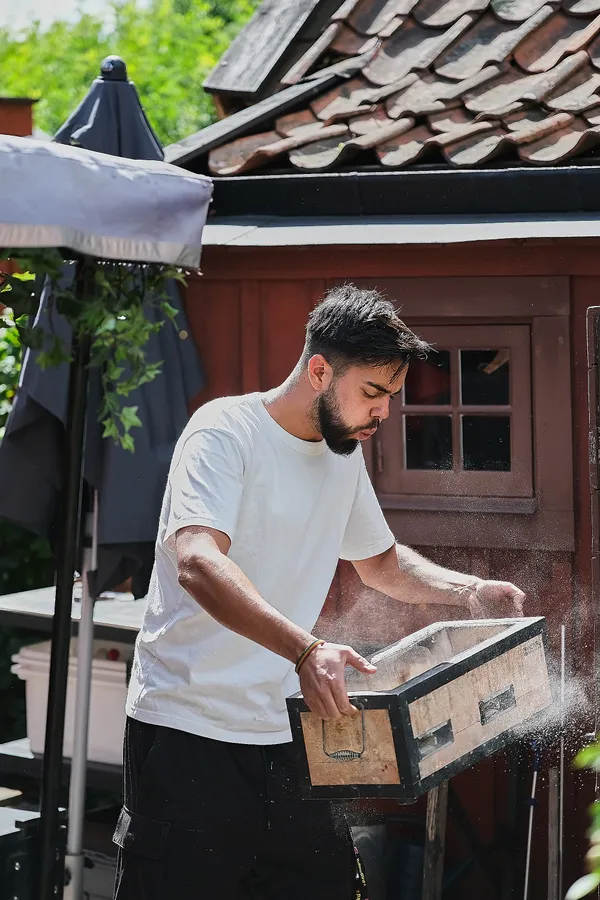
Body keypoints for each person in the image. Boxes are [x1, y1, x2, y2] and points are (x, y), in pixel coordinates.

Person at [113, 285, 525, 900]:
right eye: (373, 392)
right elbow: (197, 561)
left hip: (290, 734)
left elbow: (379, 563)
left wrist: (468, 591)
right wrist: (307, 650)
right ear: (319, 371)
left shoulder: (341, 453)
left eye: (391, 396)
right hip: (189, 735)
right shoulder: (223, 431)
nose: (383, 412)